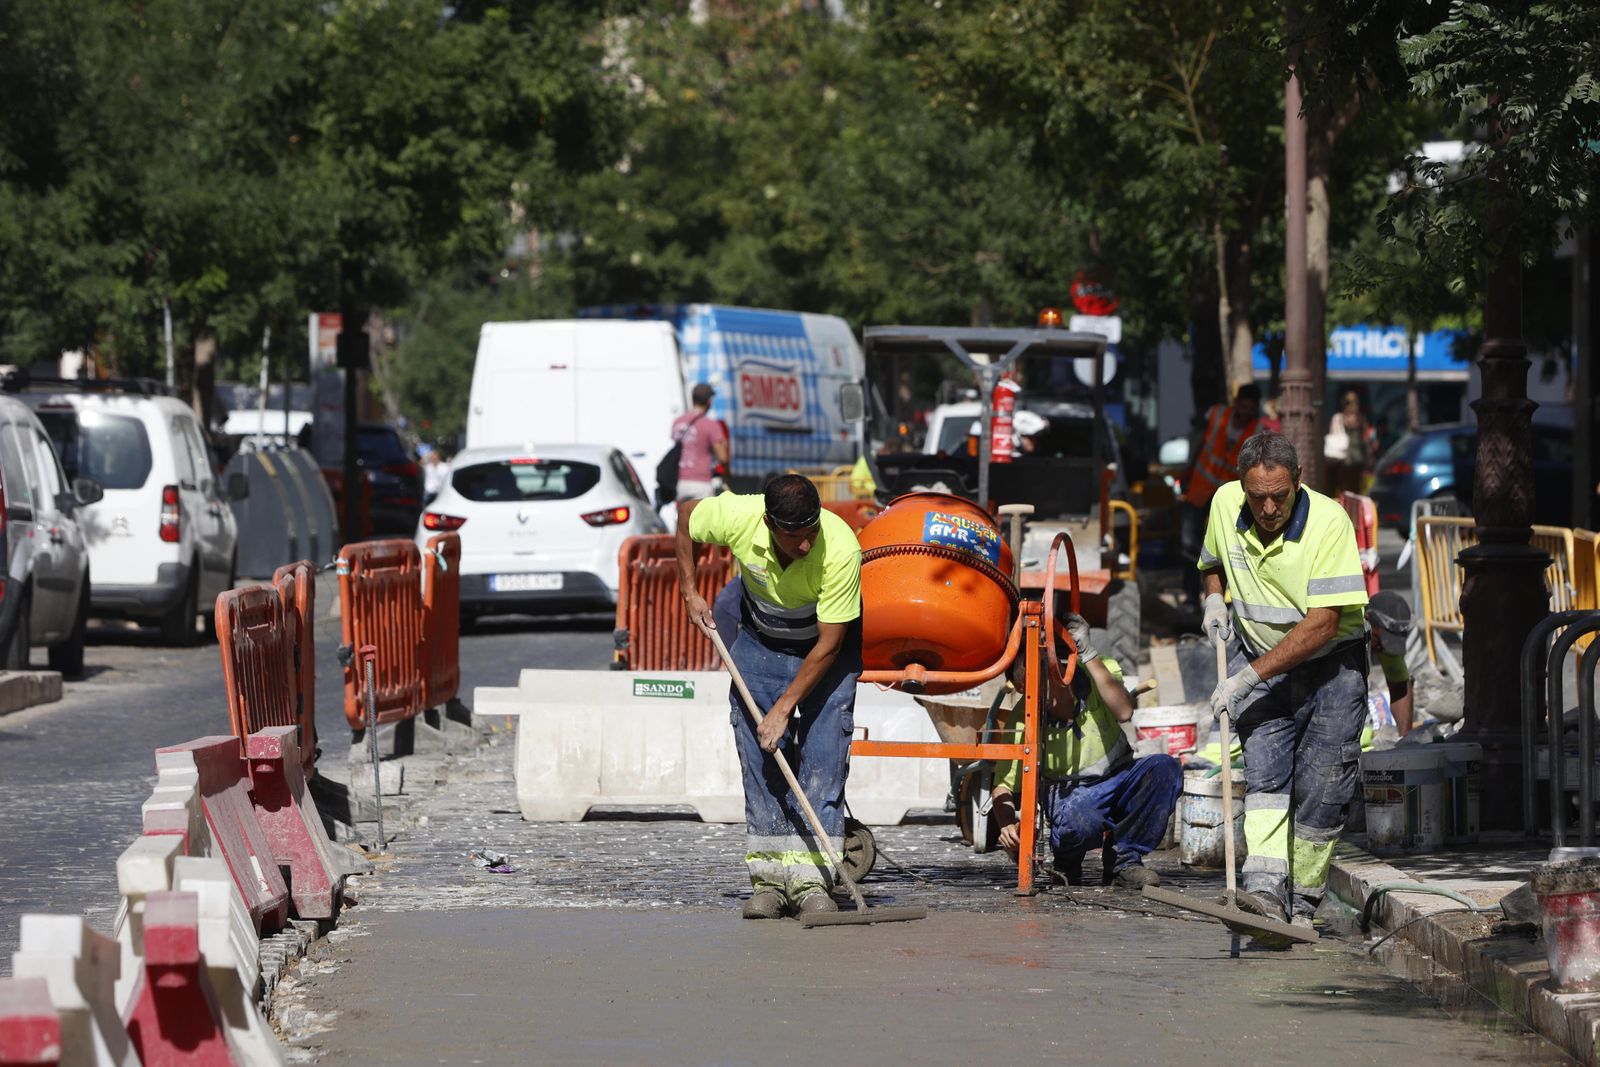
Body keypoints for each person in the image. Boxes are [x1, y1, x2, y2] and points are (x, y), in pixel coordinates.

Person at [1200, 431, 1369, 944]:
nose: (1268, 507)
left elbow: (1323, 623)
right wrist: (1214, 601)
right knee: (1267, 783)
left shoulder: (1329, 523)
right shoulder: (1225, 503)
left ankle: (1304, 905)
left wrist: (1248, 677)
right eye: (1257, 496)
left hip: (1331, 670)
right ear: (1241, 486)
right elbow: (1210, 564)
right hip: (1260, 660)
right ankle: (1265, 895)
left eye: (1279, 494)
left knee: (1321, 793)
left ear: (1299, 481)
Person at [677, 474, 863, 920]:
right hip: (760, 644)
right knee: (761, 765)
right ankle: (769, 881)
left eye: (810, 532)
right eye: (793, 536)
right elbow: (686, 517)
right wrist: (689, 588)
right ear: (767, 522)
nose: (804, 545)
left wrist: (782, 710)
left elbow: (829, 645)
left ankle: (814, 881)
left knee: (821, 761)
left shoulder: (840, 549)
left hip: (825, 654)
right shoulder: (739, 517)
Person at [990, 613, 1182, 889]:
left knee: (1163, 768)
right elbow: (1003, 786)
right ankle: (1067, 862)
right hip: (1071, 796)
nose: (1033, 689)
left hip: (1119, 777)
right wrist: (1006, 823)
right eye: (1025, 683)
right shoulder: (1023, 717)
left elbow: (1125, 711)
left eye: (1041, 674)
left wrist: (1088, 653)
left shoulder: (1095, 674)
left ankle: (1123, 862)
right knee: (1079, 818)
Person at [1181, 384, 1262, 609]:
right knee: (1189, 544)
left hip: (1229, 498)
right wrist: (1187, 473)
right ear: (1236, 402)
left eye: (1250, 408)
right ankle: (1190, 596)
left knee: (1228, 545)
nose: (1245, 412)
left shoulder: (1257, 430)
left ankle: (1226, 597)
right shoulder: (1217, 415)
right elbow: (1199, 444)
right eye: (1243, 406)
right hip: (1199, 489)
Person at [1366, 590, 1414, 736]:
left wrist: (1405, 739)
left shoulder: (1382, 642)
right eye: (1383, 639)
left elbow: (1400, 686)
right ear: (1367, 620)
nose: (1382, 647)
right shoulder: (1346, 637)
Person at [672, 383, 730, 503]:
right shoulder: (710, 424)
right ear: (709, 401)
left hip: (680, 482)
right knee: (702, 520)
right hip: (701, 482)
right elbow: (723, 457)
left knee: (682, 518)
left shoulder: (678, 421)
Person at [1324, 389, 1378, 496]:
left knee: (1341, 488)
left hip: (1342, 459)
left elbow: (1333, 436)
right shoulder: (1360, 418)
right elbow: (1366, 438)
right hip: (1357, 459)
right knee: (1355, 489)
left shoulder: (1338, 418)